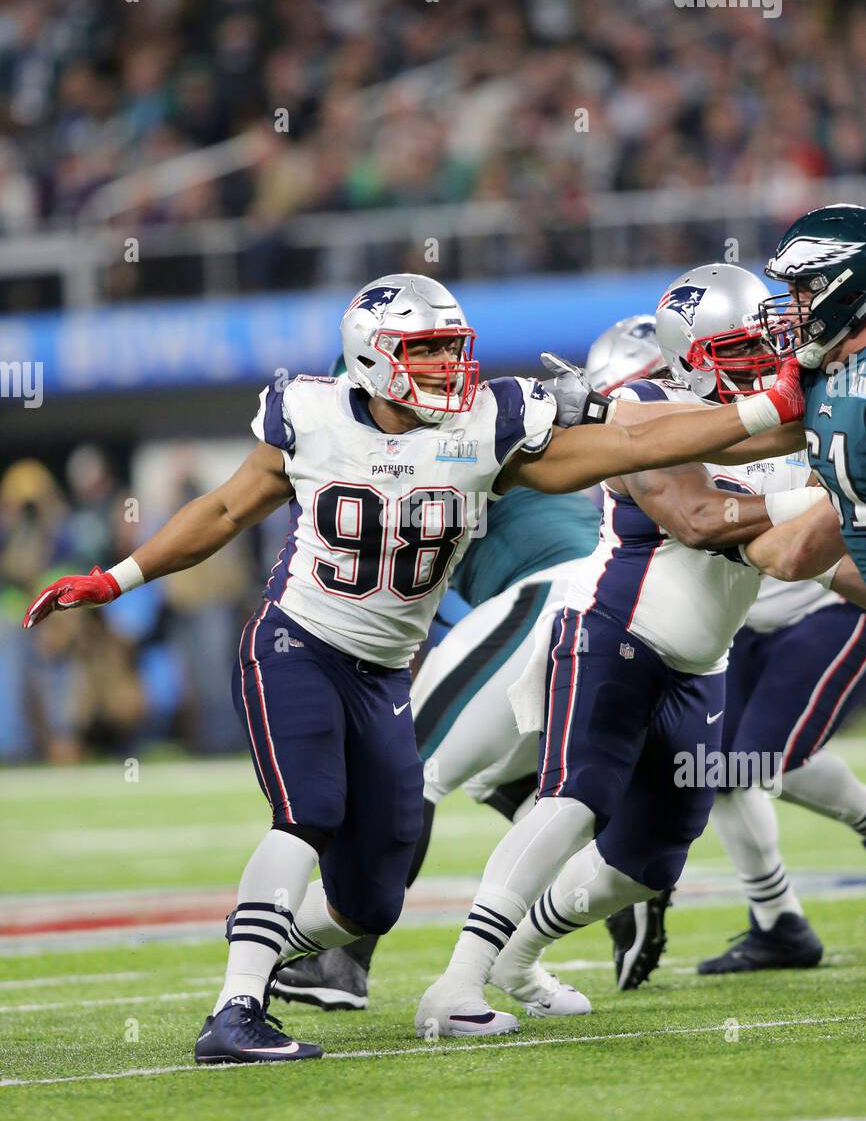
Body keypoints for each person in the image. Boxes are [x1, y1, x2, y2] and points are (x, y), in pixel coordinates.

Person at [23, 272, 805, 1063]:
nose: (446, 367)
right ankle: (235, 1009)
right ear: (370, 359)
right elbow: (224, 511)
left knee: (372, 901)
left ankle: (261, 941)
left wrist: (775, 413)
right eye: (424, 350)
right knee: (308, 810)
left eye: (450, 348)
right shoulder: (311, 413)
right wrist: (116, 578)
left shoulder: (489, 420)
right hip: (296, 643)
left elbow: (636, 443)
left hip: (385, 674)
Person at [414, 264, 827, 1037]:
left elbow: (807, 543)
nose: (772, 354)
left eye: (772, 337)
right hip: (613, 634)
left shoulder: (776, 421)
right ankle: (456, 983)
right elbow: (701, 517)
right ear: (694, 356)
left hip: (702, 665)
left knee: (650, 858)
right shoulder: (646, 406)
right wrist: (825, 495)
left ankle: (518, 956)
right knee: (575, 800)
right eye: (747, 344)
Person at [272, 315, 663, 1013]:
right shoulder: (458, 439)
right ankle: (592, 874)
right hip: (602, 608)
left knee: (410, 765)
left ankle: (340, 962)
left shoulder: (431, 446)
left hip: (548, 597)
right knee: (492, 769)